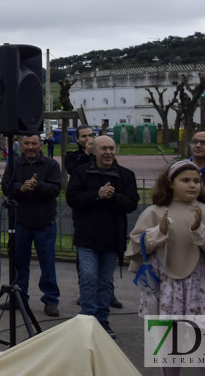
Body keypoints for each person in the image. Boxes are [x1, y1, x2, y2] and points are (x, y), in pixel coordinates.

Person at [128, 160, 205, 375]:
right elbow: (137, 245)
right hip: (168, 285)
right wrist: (158, 231)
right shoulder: (155, 212)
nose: (192, 185)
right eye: (185, 180)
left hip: (202, 285)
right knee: (172, 340)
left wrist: (199, 230)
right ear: (170, 183)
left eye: (196, 181)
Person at [66, 135, 139, 340]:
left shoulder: (126, 175)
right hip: (87, 236)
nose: (108, 152)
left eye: (112, 148)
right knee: (88, 277)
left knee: (105, 281)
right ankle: (86, 317)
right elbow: (72, 199)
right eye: (104, 149)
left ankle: (102, 319)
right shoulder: (81, 173)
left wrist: (113, 196)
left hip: (112, 237)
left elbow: (131, 204)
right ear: (94, 151)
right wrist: (97, 195)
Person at [1, 134, 62, 317]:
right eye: (26, 143)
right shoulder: (14, 164)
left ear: (40, 145)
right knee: (20, 264)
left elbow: (56, 189)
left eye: (34, 143)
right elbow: (6, 188)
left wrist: (37, 186)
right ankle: (20, 297)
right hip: (21, 222)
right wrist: (21, 188)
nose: (30, 147)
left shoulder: (51, 165)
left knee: (48, 264)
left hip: (45, 223)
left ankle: (50, 300)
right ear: (20, 144)